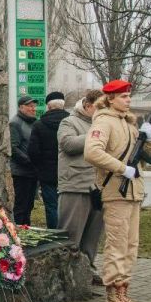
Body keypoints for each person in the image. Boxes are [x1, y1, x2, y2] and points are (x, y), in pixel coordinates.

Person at [84, 79, 151, 302]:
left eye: (129, 96)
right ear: (111, 98)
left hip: (134, 191)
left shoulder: (129, 123)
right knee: (116, 245)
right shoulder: (104, 121)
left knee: (130, 245)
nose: (128, 100)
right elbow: (92, 151)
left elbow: (146, 156)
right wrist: (120, 168)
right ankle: (113, 296)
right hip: (116, 191)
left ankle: (124, 290)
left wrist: (150, 138)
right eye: (123, 96)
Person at [57, 88, 105, 284]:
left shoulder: (103, 124)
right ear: (87, 105)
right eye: (100, 107)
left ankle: (87, 269)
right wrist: (97, 134)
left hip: (98, 187)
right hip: (75, 185)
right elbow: (68, 144)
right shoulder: (69, 121)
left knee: (93, 235)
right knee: (70, 235)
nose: (103, 111)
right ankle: (63, 272)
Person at [28, 91, 69, 228]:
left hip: (47, 173)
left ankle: (54, 235)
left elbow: (33, 151)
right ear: (63, 105)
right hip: (69, 172)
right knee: (69, 206)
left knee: (51, 206)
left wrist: (39, 167)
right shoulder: (71, 123)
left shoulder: (39, 125)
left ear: (48, 107)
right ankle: (68, 235)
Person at [9, 95, 39, 225]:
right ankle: (19, 233)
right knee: (21, 205)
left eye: (34, 106)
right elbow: (13, 148)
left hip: (32, 172)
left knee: (29, 205)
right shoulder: (15, 123)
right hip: (21, 172)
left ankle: (27, 229)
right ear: (21, 107)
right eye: (30, 106)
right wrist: (29, 161)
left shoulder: (33, 123)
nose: (33, 109)